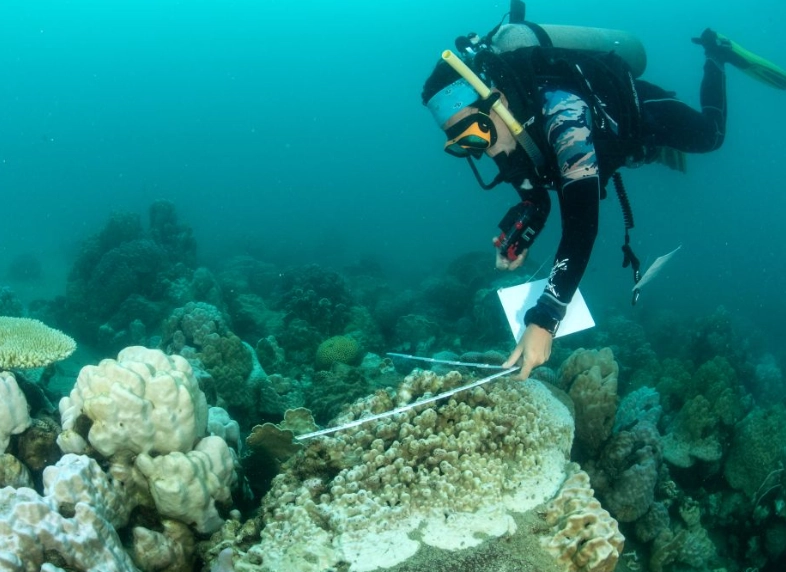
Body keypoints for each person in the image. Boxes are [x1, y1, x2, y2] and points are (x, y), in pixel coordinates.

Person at [421, 19, 786, 381]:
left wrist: (545, 318)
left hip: (640, 117)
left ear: (497, 101)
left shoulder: (565, 116)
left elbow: (582, 224)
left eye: (472, 134)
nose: (478, 151)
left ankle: (716, 54)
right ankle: (663, 143)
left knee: (710, 138)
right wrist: (518, 234)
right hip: (612, 151)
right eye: (460, 146)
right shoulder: (503, 136)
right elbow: (536, 200)